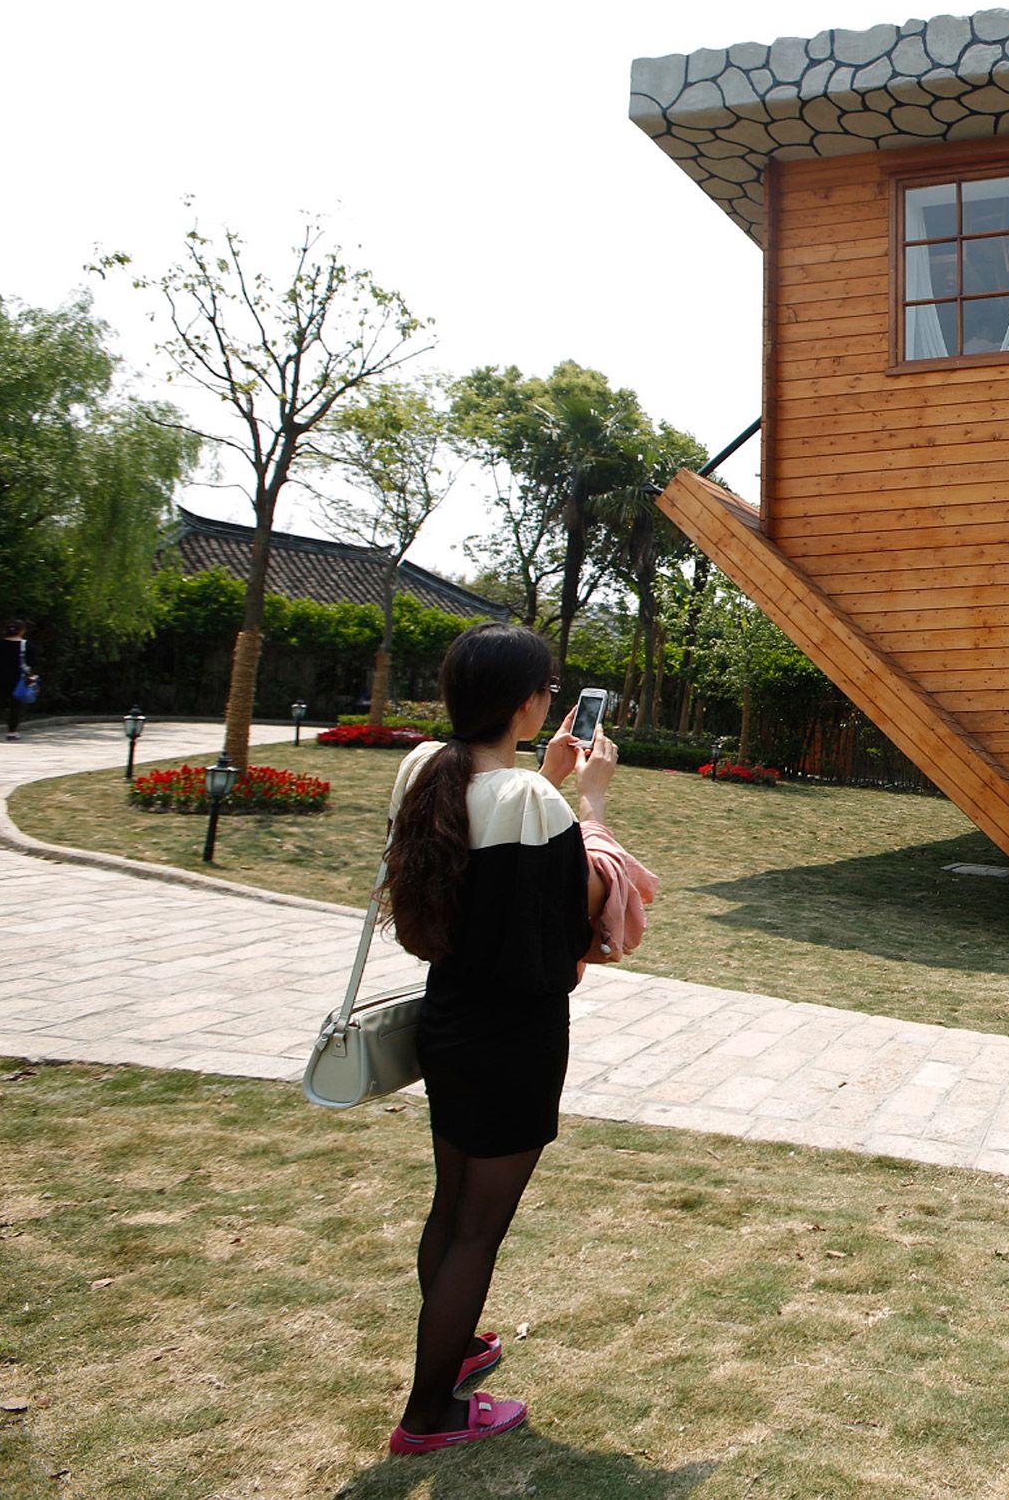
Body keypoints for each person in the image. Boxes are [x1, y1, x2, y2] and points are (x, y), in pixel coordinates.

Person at [380, 623, 625, 1455]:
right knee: (479, 1228)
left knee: (451, 1209)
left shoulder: (425, 769)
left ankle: (454, 1348)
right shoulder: (532, 803)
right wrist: (588, 800)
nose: (553, 699)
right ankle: (430, 1414)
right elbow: (572, 914)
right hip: (514, 1038)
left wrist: (548, 778)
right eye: (549, 687)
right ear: (527, 701)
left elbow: (486, 856)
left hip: (448, 1019)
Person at [0, 619, 35, 741]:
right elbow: (31, 663)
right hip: (18, 679)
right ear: (22, 631)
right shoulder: (26, 645)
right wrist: (31, 676)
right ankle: (12, 732)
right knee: (15, 706)